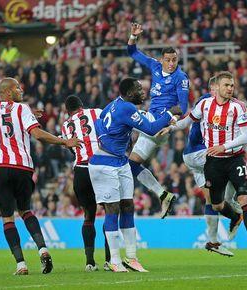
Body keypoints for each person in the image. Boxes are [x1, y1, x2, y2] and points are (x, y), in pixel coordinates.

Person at [161, 71, 247, 261]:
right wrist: (172, 127)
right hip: (213, 162)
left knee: (244, 198)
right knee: (216, 205)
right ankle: (233, 216)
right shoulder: (205, 104)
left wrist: (223, 146)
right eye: (227, 85)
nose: (230, 88)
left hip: (234, 159)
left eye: (232, 85)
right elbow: (187, 121)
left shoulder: (237, 107)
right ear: (216, 87)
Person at [0, 77, 81, 275]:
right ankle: (43, 250)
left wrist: (28, 113)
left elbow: (6, 123)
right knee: (26, 211)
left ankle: (21, 264)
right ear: (8, 92)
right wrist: (64, 142)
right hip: (23, 167)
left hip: (1, 167)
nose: (21, 90)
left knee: (7, 218)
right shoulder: (22, 109)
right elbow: (37, 135)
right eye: (17, 88)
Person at [88, 77, 181, 272]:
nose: (143, 91)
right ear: (130, 93)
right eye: (139, 89)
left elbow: (98, 123)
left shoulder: (115, 105)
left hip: (120, 162)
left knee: (127, 206)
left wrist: (110, 137)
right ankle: (114, 260)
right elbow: (151, 129)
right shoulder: (126, 108)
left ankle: (131, 257)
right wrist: (170, 113)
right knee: (112, 209)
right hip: (104, 164)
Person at [127, 22, 189, 218]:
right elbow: (133, 53)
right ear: (162, 60)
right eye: (168, 60)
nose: (172, 64)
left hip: (159, 123)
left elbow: (183, 106)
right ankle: (163, 194)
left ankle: (109, 151)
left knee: (124, 112)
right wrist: (134, 36)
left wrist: (169, 120)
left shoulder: (181, 78)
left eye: (175, 60)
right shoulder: (154, 66)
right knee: (132, 165)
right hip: (152, 123)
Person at [61, 95, 111, 272]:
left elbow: (70, 148)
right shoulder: (96, 112)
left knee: (88, 216)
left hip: (81, 171)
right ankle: (110, 260)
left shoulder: (66, 125)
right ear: (82, 105)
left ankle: (90, 262)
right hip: (101, 166)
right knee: (110, 212)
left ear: (68, 111)